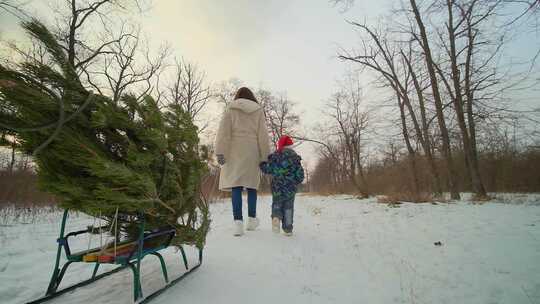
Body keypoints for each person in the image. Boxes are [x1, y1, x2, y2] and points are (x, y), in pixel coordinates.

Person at [215, 87, 271, 236]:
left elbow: (223, 133)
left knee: (236, 186)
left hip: (234, 151)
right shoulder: (258, 110)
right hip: (252, 151)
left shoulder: (230, 108)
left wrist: (220, 153)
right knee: (252, 185)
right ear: (251, 97)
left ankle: (238, 222)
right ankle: (252, 220)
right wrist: (265, 157)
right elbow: (263, 136)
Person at [260, 135, 304, 236]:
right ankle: (288, 228)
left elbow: (269, 168)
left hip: (277, 187)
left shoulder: (275, 156)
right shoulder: (295, 159)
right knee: (288, 207)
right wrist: (296, 181)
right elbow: (300, 175)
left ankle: (276, 217)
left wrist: (262, 165)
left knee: (277, 203)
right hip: (290, 189)